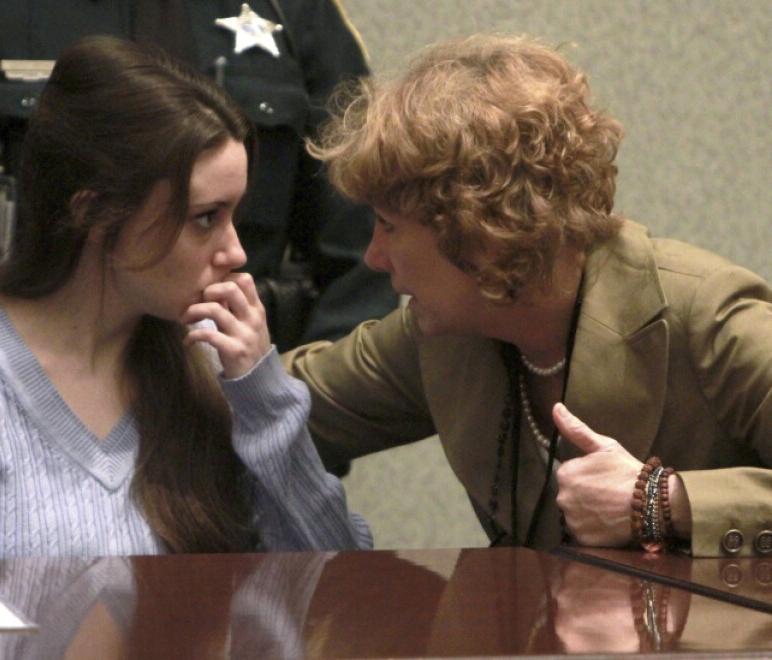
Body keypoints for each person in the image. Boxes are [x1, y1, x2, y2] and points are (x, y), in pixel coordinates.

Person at [281, 33, 772, 557]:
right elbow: (279, 410)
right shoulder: (444, 333)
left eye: (388, 225)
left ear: (479, 228)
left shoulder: (709, 313)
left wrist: (663, 500)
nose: (374, 257)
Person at [0, 35, 371, 559]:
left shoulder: (208, 362)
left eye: (235, 214)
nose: (235, 252)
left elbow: (339, 583)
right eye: (206, 218)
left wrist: (267, 400)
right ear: (94, 214)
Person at [0, 0, 398, 352]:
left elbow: (366, 250)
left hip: (233, 391)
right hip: (15, 379)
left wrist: (283, 416)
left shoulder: (294, 11)